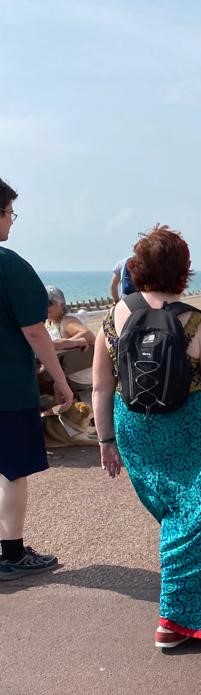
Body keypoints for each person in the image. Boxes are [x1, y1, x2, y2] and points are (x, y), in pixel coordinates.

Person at [92, 225, 201, 648]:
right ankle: (177, 618)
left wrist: (107, 442)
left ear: (137, 269)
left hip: (137, 431)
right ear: (183, 272)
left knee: (177, 514)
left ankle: (192, 605)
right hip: (193, 430)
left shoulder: (111, 320)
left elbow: (102, 388)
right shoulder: (195, 323)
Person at [0, 177, 73, 580]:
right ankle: (11, 553)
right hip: (8, 389)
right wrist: (61, 382)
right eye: (10, 213)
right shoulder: (9, 265)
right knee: (12, 469)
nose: (12, 222)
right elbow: (35, 330)